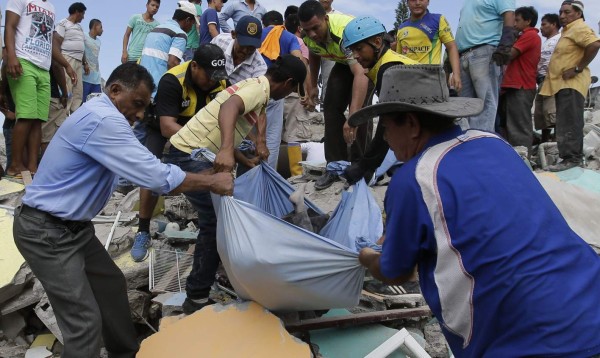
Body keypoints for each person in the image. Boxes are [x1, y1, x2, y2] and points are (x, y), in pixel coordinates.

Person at [352, 64, 600, 357]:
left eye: (386, 127)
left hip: (525, 340)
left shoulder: (414, 179)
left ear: (411, 124)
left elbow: (396, 272)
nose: (385, 139)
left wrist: (367, 258)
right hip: (589, 302)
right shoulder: (493, 142)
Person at [12, 62, 234, 358]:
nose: (141, 114)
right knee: (83, 322)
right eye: (138, 104)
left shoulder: (105, 116)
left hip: (73, 228)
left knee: (111, 286)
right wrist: (210, 182)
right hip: (47, 231)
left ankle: (126, 353)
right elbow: (155, 177)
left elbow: (148, 165)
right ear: (115, 90)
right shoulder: (103, 119)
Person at [167, 54, 306, 314]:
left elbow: (246, 120)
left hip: (195, 151)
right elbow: (229, 108)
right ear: (288, 82)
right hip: (188, 153)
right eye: (293, 89)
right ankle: (196, 296)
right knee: (216, 220)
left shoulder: (258, 89)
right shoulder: (256, 89)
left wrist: (247, 155)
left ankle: (213, 280)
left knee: (222, 216)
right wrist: (228, 150)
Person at [130, 44, 228, 262]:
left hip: (198, 132)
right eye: (209, 75)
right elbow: (167, 126)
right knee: (151, 175)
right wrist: (204, 142)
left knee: (217, 172)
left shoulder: (220, 82)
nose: (213, 81)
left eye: (217, 76)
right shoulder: (172, 80)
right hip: (165, 128)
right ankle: (143, 230)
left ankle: (215, 232)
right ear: (194, 66)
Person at [298, 0, 371, 190]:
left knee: (361, 111)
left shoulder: (344, 32)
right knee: (330, 106)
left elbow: (360, 73)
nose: (312, 34)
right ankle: (335, 166)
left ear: (326, 19)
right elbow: (314, 52)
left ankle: (360, 165)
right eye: (308, 30)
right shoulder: (308, 35)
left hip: (369, 59)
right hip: (344, 61)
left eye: (316, 28)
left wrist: (353, 117)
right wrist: (313, 85)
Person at [341, 16, 418, 185]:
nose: (356, 56)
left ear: (377, 42)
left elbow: (387, 125)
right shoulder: (386, 64)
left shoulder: (388, 70)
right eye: (352, 50)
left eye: (359, 49)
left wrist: (364, 166)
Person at [3, 0, 75, 178]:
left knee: (37, 121)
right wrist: (11, 56)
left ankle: (33, 167)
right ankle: (15, 166)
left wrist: (66, 65)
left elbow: (50, 42)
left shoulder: (51, 8)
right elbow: (10, 27)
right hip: (23, 62)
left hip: (43, 68)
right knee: (26, 116)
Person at [540, 0, 600, 172]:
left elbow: (595, 44)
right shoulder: (568, 31)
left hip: (571, 84)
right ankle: (568, 157)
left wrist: (577, 68)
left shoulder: (579, 28)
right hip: (563, 85)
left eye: (567, 12)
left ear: (578, 14)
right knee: (565, 121)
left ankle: (572, 159)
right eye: (561, 12)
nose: (562, 16)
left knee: (569, 121)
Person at [455, 0, 517, 132]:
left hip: (484, 51)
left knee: (486, 102)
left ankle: (481, 145)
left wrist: (506, 43)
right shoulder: (468, 3)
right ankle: (467, 144)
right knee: (464, 106)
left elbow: (509, 14)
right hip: (464, 54)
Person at [259, 10, 310, 168]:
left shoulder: (258, 33)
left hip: (256, 87)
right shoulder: (288, 37)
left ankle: (249, 176)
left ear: (264, 23)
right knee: (273, 138)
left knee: (252, 137)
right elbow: (298, 59)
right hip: (278, 91)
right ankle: (270, 176)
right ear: (281, 23)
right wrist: (304, 89)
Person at [498, 6, 541, 156]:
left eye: (517, 20)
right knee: (511, 125)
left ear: (528, 21)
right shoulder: (523, 36)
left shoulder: (530, 35)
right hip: (514, 86)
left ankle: (524, 160)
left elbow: (509, 54)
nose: (514, 24)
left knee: (519, 126)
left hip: (521, 86)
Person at [396, 0, 461, 91]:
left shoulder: (438, 19)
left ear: (428, 1)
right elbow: (398, 58)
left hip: (431, 80)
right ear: (407, 2)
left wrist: (456, 74)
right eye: (413, 0)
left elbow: (451, 47)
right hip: (407, 82)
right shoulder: (401, 28)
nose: (418, 2)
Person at [139, 1, 198, 94]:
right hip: (158, 90)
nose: (191, 28)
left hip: (141, 86)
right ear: (187, 20)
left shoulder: (156, 29)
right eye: (192, 23)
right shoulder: (180, 34)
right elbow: (173, 63)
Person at [211, 16, 267, 85]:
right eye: (243, 45)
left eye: (251, 48)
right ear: (233, 34)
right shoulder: (219, 42)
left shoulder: (259, 67)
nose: (245, 51)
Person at [54, 2, 87, 114]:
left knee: (78, 91)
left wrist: (85, 63)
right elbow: (57, 44)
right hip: (68, 59)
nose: (83, 17)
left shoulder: (79, 28)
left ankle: (74, 115)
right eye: (83, 14)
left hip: (78, 62)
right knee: (67, 88)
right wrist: (63, 64)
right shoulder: (63, 24)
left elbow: (82, 46)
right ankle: (63, 115)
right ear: (77, 12)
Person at [534, 13, 561, 143]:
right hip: (541, 81)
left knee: (552, 112)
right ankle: (543, 144)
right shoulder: (545, 42)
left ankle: (555, 144)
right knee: (541, 114)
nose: (541, 27)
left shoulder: (560, 39)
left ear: (554, 24)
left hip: (552, 80)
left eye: (544, 24)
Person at [40, 61, 69, 154]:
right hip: (51, 97)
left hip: (41, 94)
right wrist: (65, 93)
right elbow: (57, 65)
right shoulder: (53, 48)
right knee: (48, 137)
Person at [317, 0, 341, 108]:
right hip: (312, 48)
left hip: (331, 53)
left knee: (329, 77)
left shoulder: (339, 16)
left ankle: (326, 105)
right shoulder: (309, 12)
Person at [82, 19, 103, 102]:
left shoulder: (99, 42)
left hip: (96, 79)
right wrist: (85, 63)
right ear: (95, 26)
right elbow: (81, 51)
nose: (102, 30)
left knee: (97, 104)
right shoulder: (84, 36)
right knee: (83, 103)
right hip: (85, 77)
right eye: (101, 27)